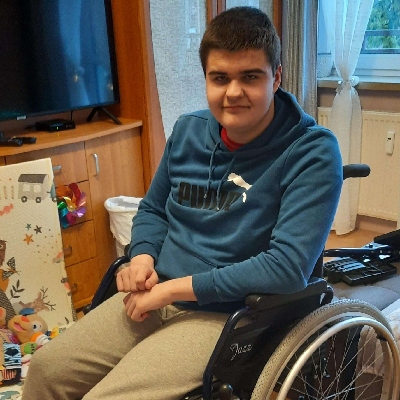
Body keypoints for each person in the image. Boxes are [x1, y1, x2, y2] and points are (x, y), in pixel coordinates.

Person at [22, 6, 342, 400]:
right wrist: (142, 257)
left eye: (250, 77)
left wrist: (174, 290)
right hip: (156, 292)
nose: (233, 92)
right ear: (206, 78)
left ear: (276, 77)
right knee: (47, 369)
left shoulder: (312, 152)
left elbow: (287, 269)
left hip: (229, 314)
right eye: (220, 78)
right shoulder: (189, 130)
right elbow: (153, 209)